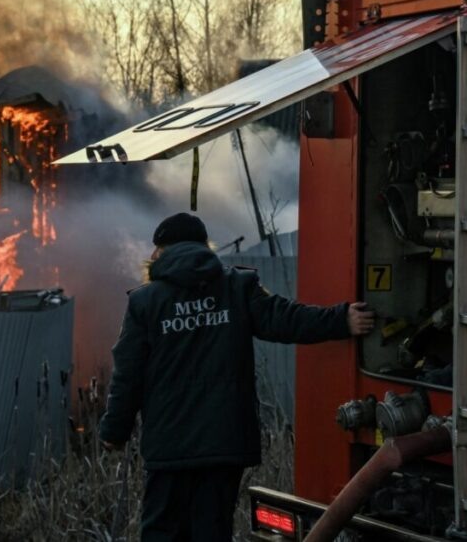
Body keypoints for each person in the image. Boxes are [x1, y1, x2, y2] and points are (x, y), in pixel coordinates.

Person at [99, 212, 375, 541]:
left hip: (169, 450)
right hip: (223, 443)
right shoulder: (237, 287)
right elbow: (285, 319)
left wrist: (115, 431)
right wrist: (340, 319)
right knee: (213, 532)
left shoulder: (145, 302)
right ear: (205, 247)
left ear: (160, 252)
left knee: (161, 533)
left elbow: (127, 374)